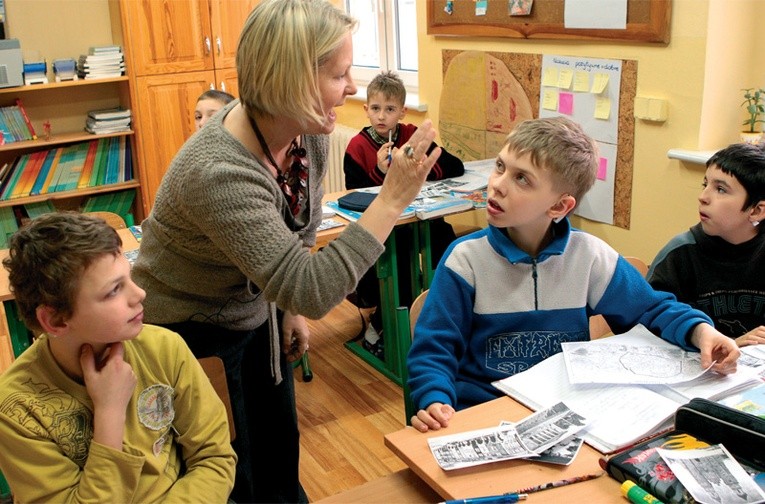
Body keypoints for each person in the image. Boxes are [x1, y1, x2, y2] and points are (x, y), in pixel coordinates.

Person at [130, 1, 441, 502]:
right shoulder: (220, 171)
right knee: (230, 473)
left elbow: (302, 231)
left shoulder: (304, 132)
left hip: (255, 313)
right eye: (340, 75)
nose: (354, 90)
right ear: (291, 79)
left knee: (277, 451)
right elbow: (314, 287)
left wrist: (286, 308)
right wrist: (393, 198)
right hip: (188, 333)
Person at [406, 117, 741, 433]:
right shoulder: (466, 259)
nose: (497, 185)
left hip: (565, 414)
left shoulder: (590, 257)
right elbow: (433, 349)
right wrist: (435, 400)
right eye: (500, 167)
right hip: (483, 412)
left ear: (559, 207)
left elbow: (650, 310)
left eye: (522, 178)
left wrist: (701, 332)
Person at [0, 212, 236, 503]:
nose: (140, 293)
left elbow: (215, 457)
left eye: (130, 277)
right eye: (113, 290)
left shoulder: (164, 347)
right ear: (56, 321)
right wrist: (109, 412)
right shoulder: (15, 410)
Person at [343, 70, 465, 356]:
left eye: (389, 109)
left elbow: (454, 166)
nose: (381, 116)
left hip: (417, 221)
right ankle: (383, 326)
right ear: (366, 110)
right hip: (385, 229)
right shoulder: (357, 147)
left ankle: (440, 313)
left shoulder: (412, 135)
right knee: (400, 266)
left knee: (446, 241)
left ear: (402, 111)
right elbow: (354, 196)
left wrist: (417, 165)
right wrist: (382, 172)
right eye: (375, 109)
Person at [647, 143, 765, 346]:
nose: (702, 197)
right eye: (705, 185)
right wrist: (734, 344)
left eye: (720, 189)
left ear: (756, 211)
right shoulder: (679, 255)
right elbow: (648, 326)